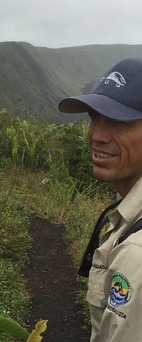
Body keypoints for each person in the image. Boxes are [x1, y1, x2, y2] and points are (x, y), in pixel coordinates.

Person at [58, 57, 142, 342]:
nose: (97, 135)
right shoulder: (127, 212)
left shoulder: (136, 252)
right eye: (94, 117)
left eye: (119, 121)